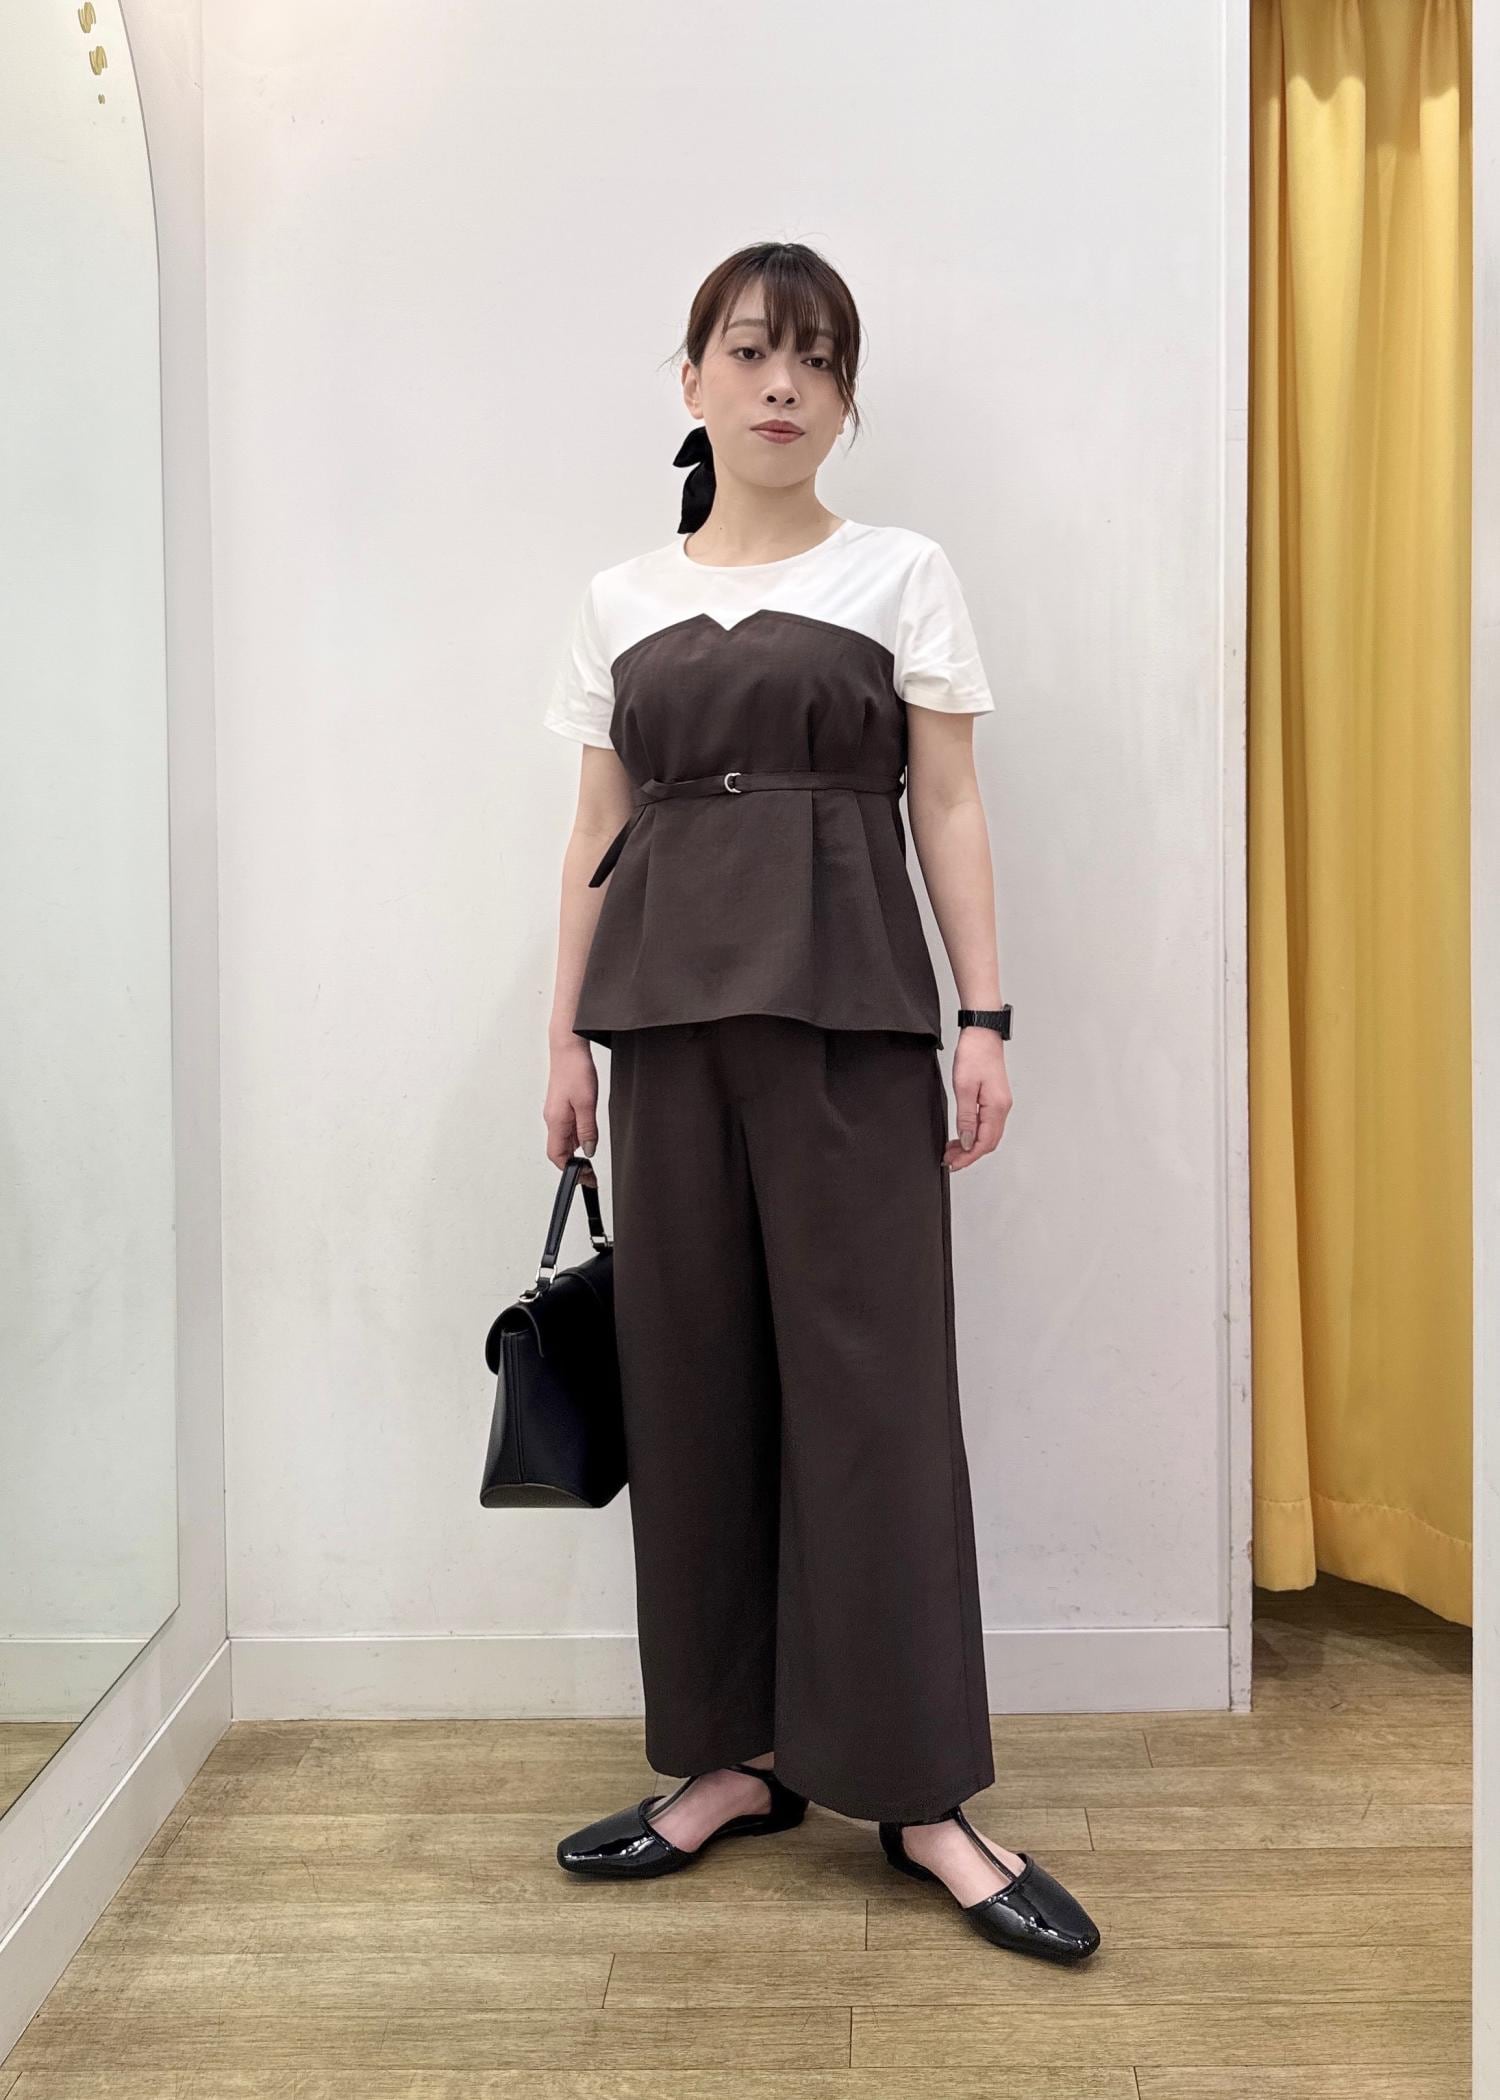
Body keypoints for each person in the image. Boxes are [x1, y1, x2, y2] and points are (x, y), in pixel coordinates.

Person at [539, 241, 1100, 1965]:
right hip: (663, 1033)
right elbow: (593, 834)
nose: (781, 382)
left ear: (847, 399)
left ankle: (923, 1798)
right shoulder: (618, 600)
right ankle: (733, 1760)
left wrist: (984, 1016)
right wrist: (561, 1044)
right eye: (748, 350)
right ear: (692, 382)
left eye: (817, 358)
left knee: (877, 1402)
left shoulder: (901, 573)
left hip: (853, 1022)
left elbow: (949, 803)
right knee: (692, 1388)